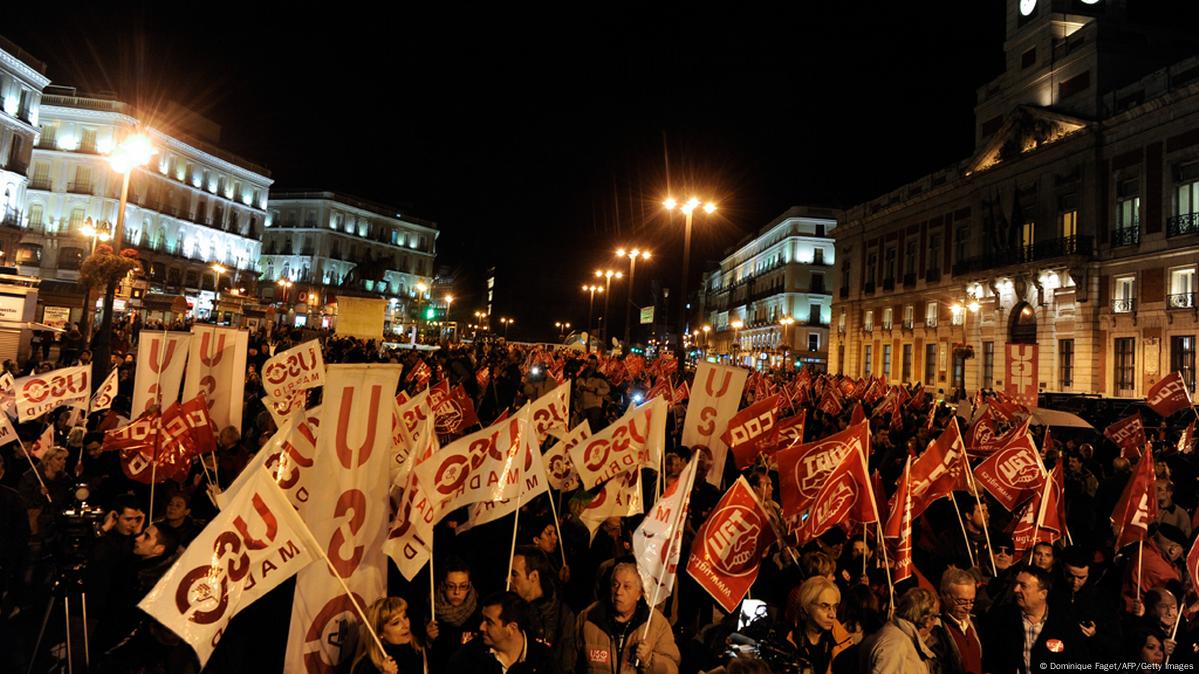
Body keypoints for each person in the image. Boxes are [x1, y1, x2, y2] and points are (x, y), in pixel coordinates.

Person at [576, 557, 680, 674]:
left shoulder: (656, 625)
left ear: (639, 594)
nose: (619, 592)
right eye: (615, 584)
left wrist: (650, 660)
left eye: (627, 587)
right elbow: (569, 663)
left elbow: (672, 669)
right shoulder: (589, 618)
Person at [984, 565, 1087, 672]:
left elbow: (1080, 662)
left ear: (1042, 594)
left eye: (1023, 586)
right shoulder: (1001, 617)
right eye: (1016, 584)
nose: (1015, 589)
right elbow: (988, 658)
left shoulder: (1065, 623)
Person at [449, 591, 558, 674]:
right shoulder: (466, 659)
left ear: (511, 628)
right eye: (483, 619)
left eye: (489, 622)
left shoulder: (544, 659)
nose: (481, 627)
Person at [510, 545, 576, 674]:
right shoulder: (508, 610)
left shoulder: (562, 614)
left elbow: (566, 665)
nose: (508, 579)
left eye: (514, 574)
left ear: (534, 576)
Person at [785, 576, 854, 674]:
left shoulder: (845, 646)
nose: (832, 615)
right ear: (806, 607)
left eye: (835, 607)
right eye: (824, 606)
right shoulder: (786, 641)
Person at [861, 587, 939, 673]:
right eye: (934, 617)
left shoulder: (900, 638)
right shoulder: (896, 645)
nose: (935, 622)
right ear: (926, 619)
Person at [427, 556, 481, 670]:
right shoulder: (431, 611)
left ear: (469, 586)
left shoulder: (480, 612)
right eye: (451, 586)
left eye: (462, 586)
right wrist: (428, 641)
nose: (457, 592)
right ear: (443, 586)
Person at [927, 567, 982, 674]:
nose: (968, 607)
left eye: (972, 601)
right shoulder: (936, 630)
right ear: (944, 595)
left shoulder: (974, 624)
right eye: (961, 601)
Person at [352, 597, 426, 674]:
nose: (406, 625)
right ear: (380, 633)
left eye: (405, 617)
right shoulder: (366, 667)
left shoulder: (416, 648)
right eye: (396, 623)